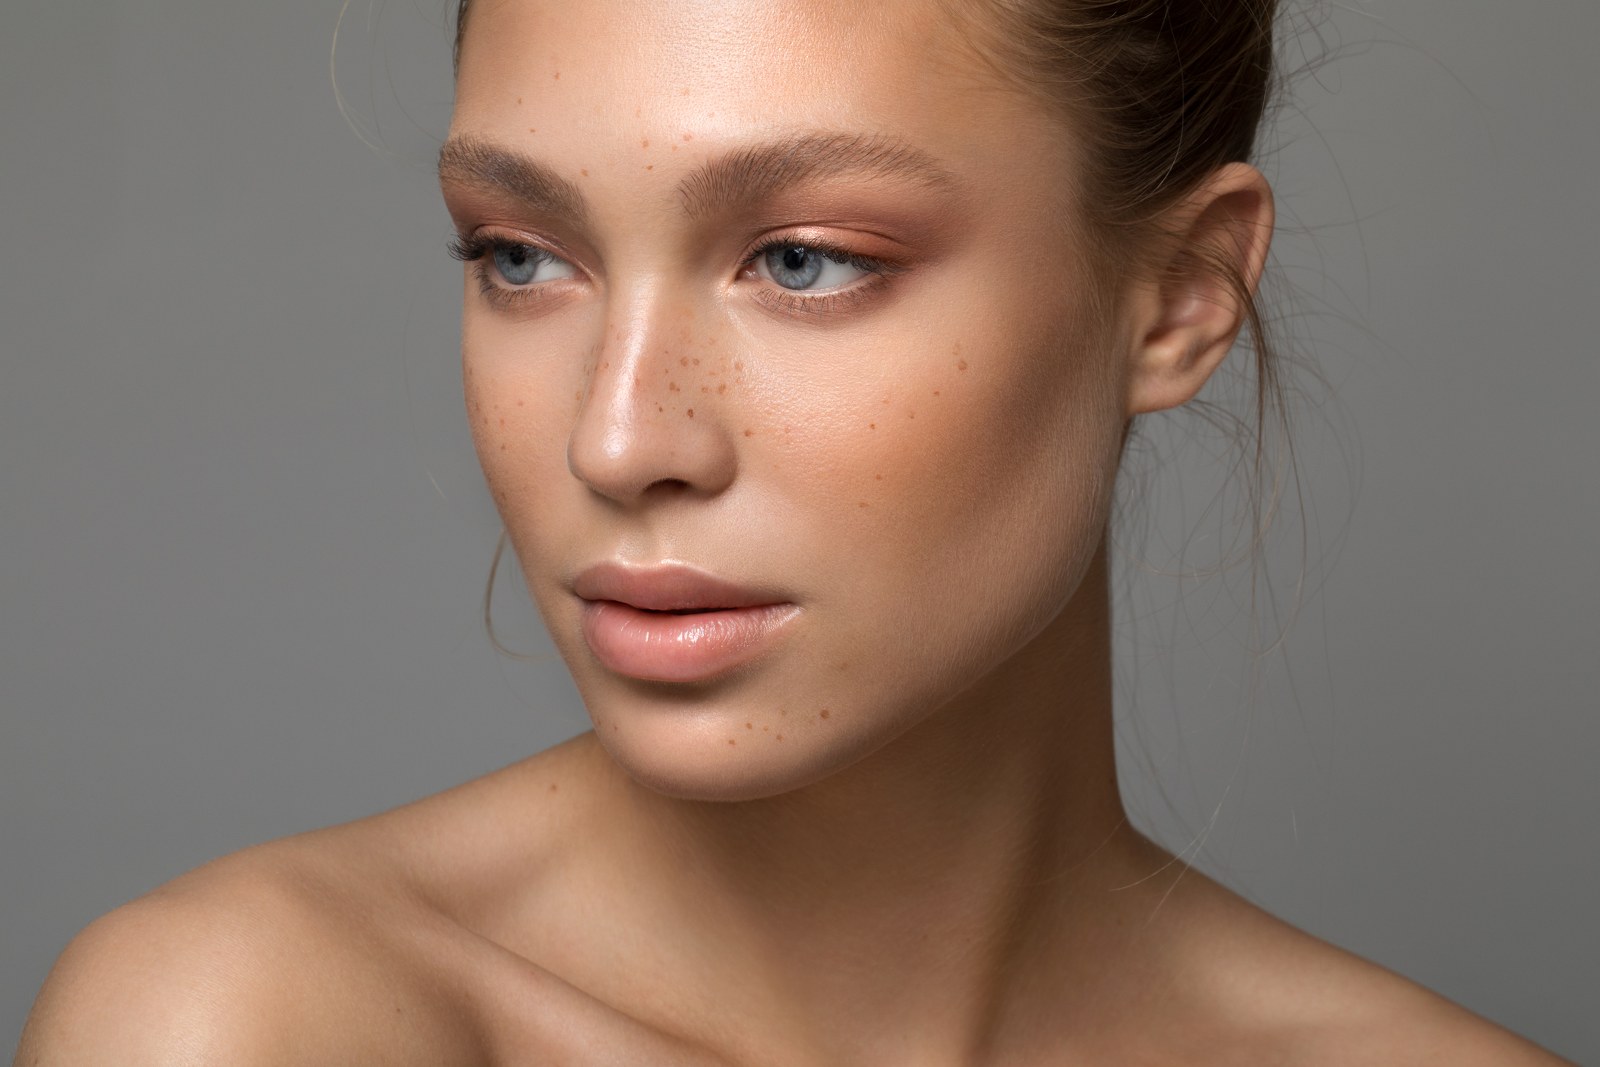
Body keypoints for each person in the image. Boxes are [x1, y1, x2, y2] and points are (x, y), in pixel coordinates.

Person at [14, 1, 1572, 1063]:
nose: (618, 437)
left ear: (1180, 298)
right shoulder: (258, 1027)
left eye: (806, 261)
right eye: (521, 256)